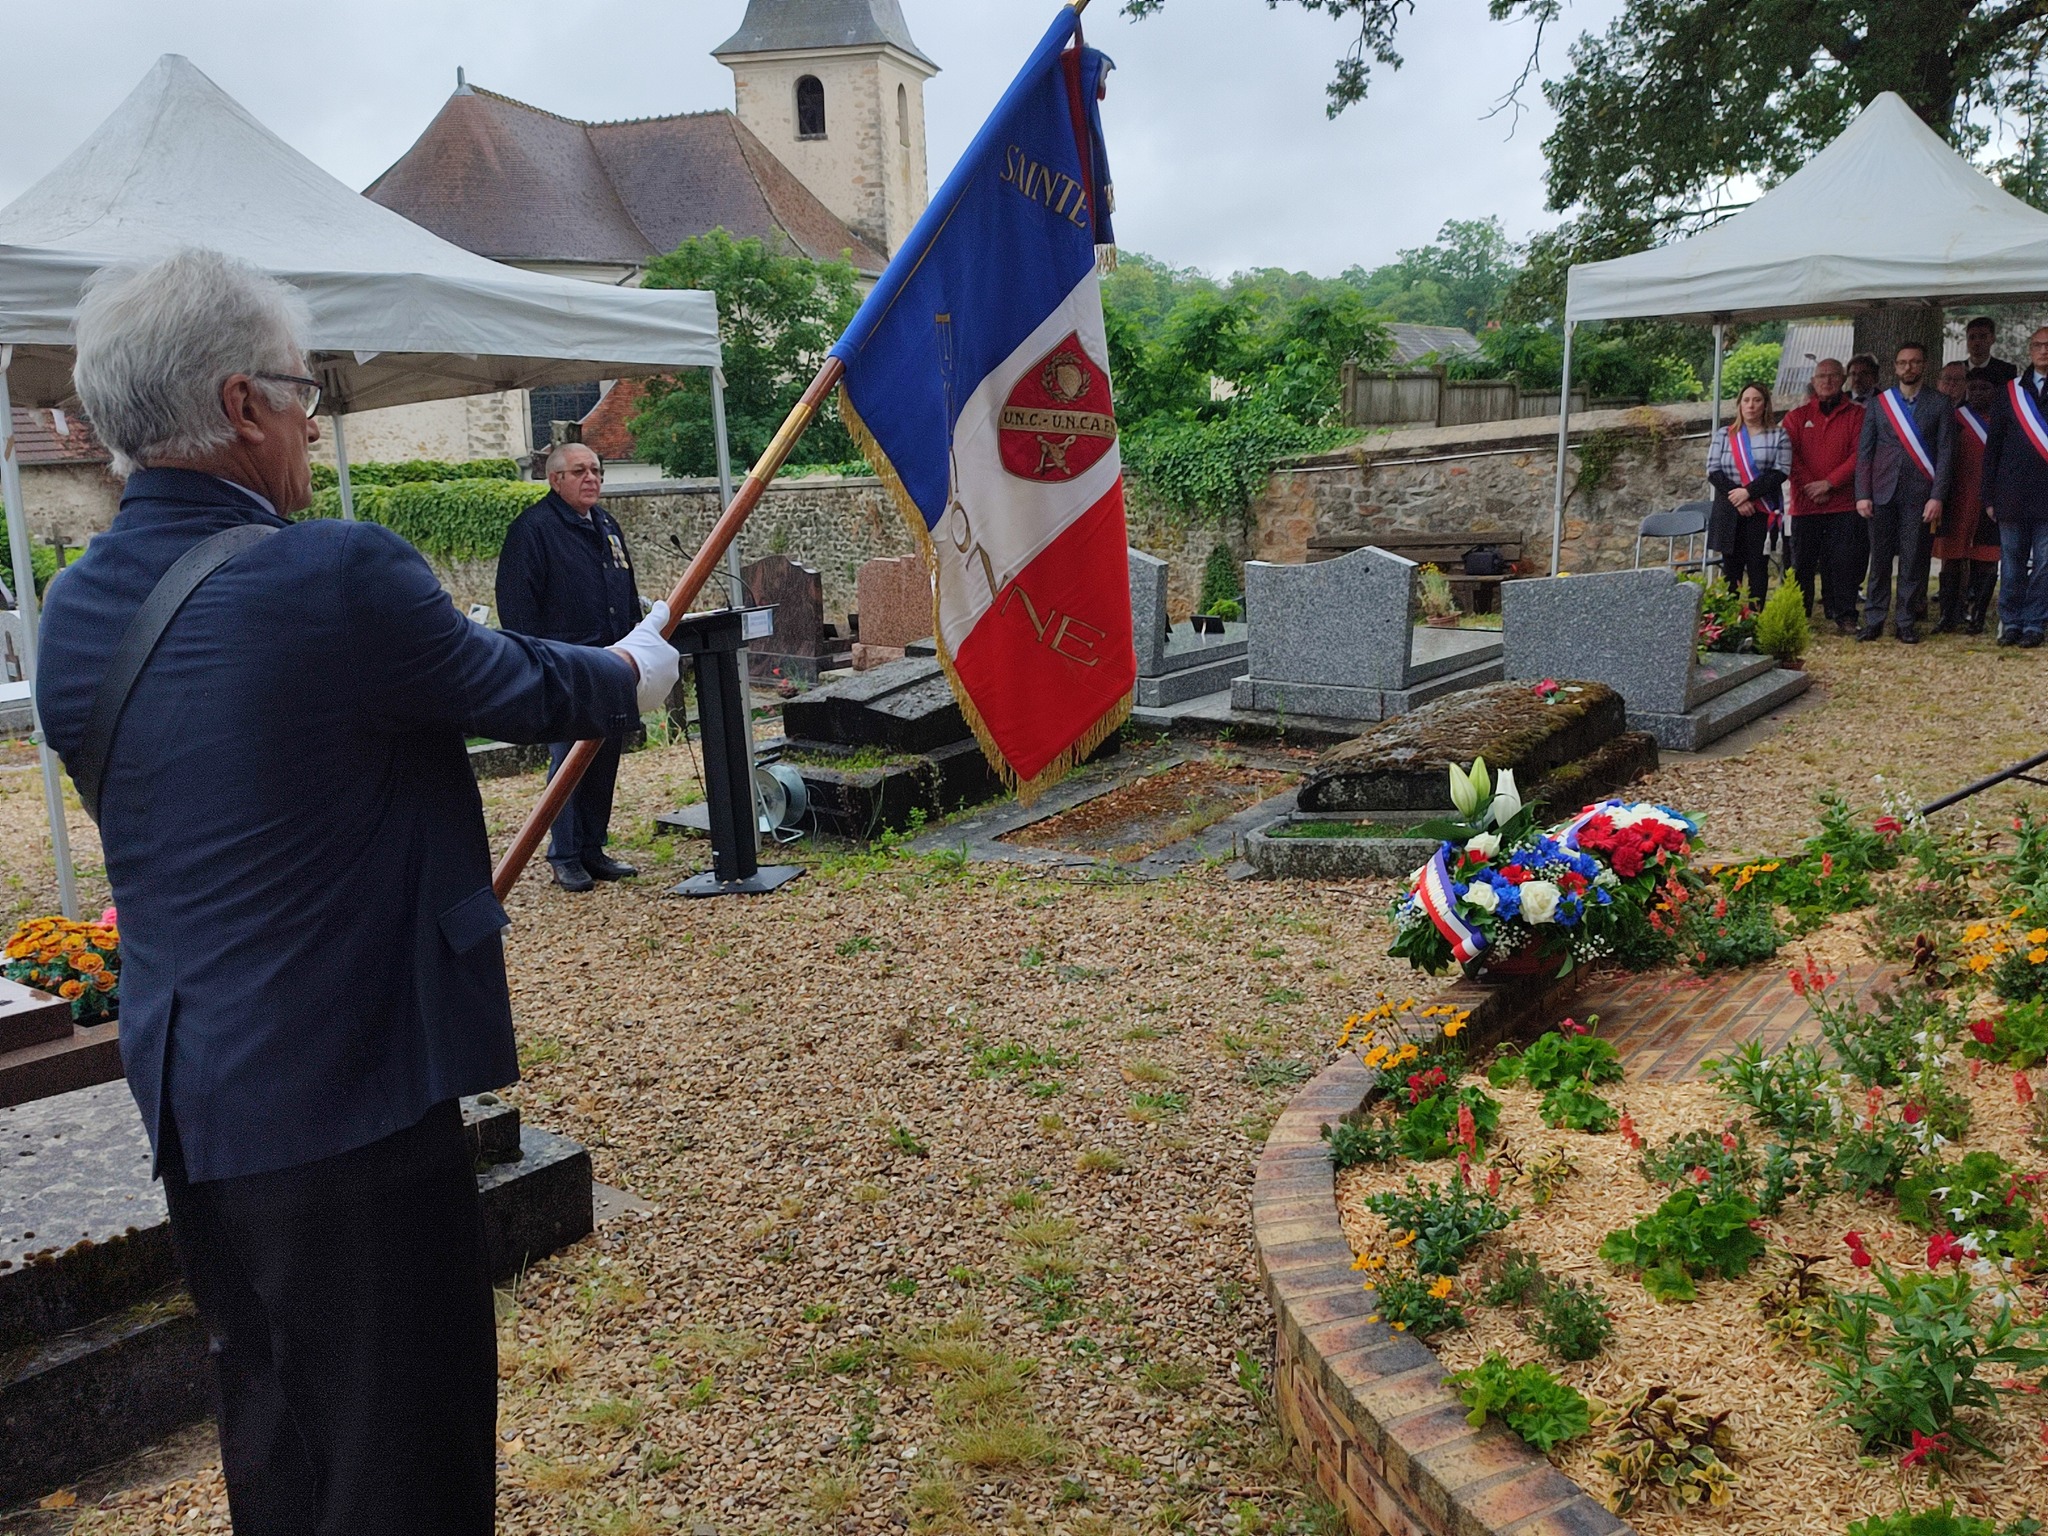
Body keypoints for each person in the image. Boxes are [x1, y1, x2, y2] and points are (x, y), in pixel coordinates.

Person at [33, 248, 680, 1535]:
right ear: (237, 404)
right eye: (298, 387)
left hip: (195, 1096)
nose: (311, 414)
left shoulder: (77, 608)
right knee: (405, 1456)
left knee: (281, 1435)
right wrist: (635, 666)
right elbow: (517, 685)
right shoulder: (333, 572)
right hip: (349, 1095)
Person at [495, 443, 649, 893]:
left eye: (597, 470)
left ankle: (591, 847)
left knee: (604, 760)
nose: (591, 478)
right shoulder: (533, 530)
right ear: (555, 479)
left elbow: (625, 584)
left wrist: (637, 640)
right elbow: (517, 606)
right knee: (568, 761)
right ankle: (564, 854)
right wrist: (537, 662)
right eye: (579, 471)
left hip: (612, 660)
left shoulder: (605, 524)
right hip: (564, 666)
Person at [1856, 341, 1954, 643]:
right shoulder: (1879, 403)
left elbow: (1946, 453)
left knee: (1914, 560)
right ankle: (1874, 619)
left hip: (1920, 494)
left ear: (1923, 365)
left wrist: (1937, 496)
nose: (1908, 367)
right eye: (1902, 363)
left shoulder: (1940, 403)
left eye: (1914, 362)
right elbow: (1865, 452)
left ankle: (1906, 620)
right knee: (1880, 560)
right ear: (1895, 367)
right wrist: (1863, 493)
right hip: (1882, 491)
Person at [1781, 358, 1866, 632]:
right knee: (1801, 564)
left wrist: (1829, 483)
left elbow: (1859, 456)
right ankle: (1799, 615)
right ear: (1813, 381)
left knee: (1844, 562)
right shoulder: (1796, 417)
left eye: (1833, 376)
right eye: (1821, 376)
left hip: (1843, 503)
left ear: (1843, 380)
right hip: (1806, 505)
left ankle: (1845, 615)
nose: (1827, 381)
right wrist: (1811, 486)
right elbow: (1789, 457)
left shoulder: (1857, 415)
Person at [1982, 326, 2048, 647]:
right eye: (2038, 345)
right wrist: (1988, 495)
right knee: (2011, 561)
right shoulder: (2010, 392)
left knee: (2046, 563)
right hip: (2011, 494)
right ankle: (2011, 621)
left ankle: (2035, 622)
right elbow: (1992, 446)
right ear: (2029, 349)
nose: (2043, 351)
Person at [1933, 367, 2002, 633]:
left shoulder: (2003, 420)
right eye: (1972, 388)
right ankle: (1949, 614)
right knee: (1951, 556)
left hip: (1990, 500)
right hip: (1957, 498)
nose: (1977, 394)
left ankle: (1977, 616)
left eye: (1984, 388)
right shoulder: (1954, 418)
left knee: (1986, 557)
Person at [1705, 381, 1789, 602]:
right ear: (1740, 405)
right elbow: (1713, 471)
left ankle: (1756, 619)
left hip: (1761, 510)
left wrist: (1748, 493)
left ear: (1765, 405)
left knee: (1757, 568)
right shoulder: (1724, 434)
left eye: (1757, 400)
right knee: (1731, 570)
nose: (1751, 405)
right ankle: (1730, 622)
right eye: (1746, 400)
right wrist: (1738, 497)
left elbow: (1780, 472)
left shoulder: (1779, 435)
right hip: (1729, 510)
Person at [1964, 316, 2020, 387]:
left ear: (1992, 339)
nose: (1976, 342)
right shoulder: (1956, 370)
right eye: (1972, 337)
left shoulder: (2006, 371)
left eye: (1983, 337)